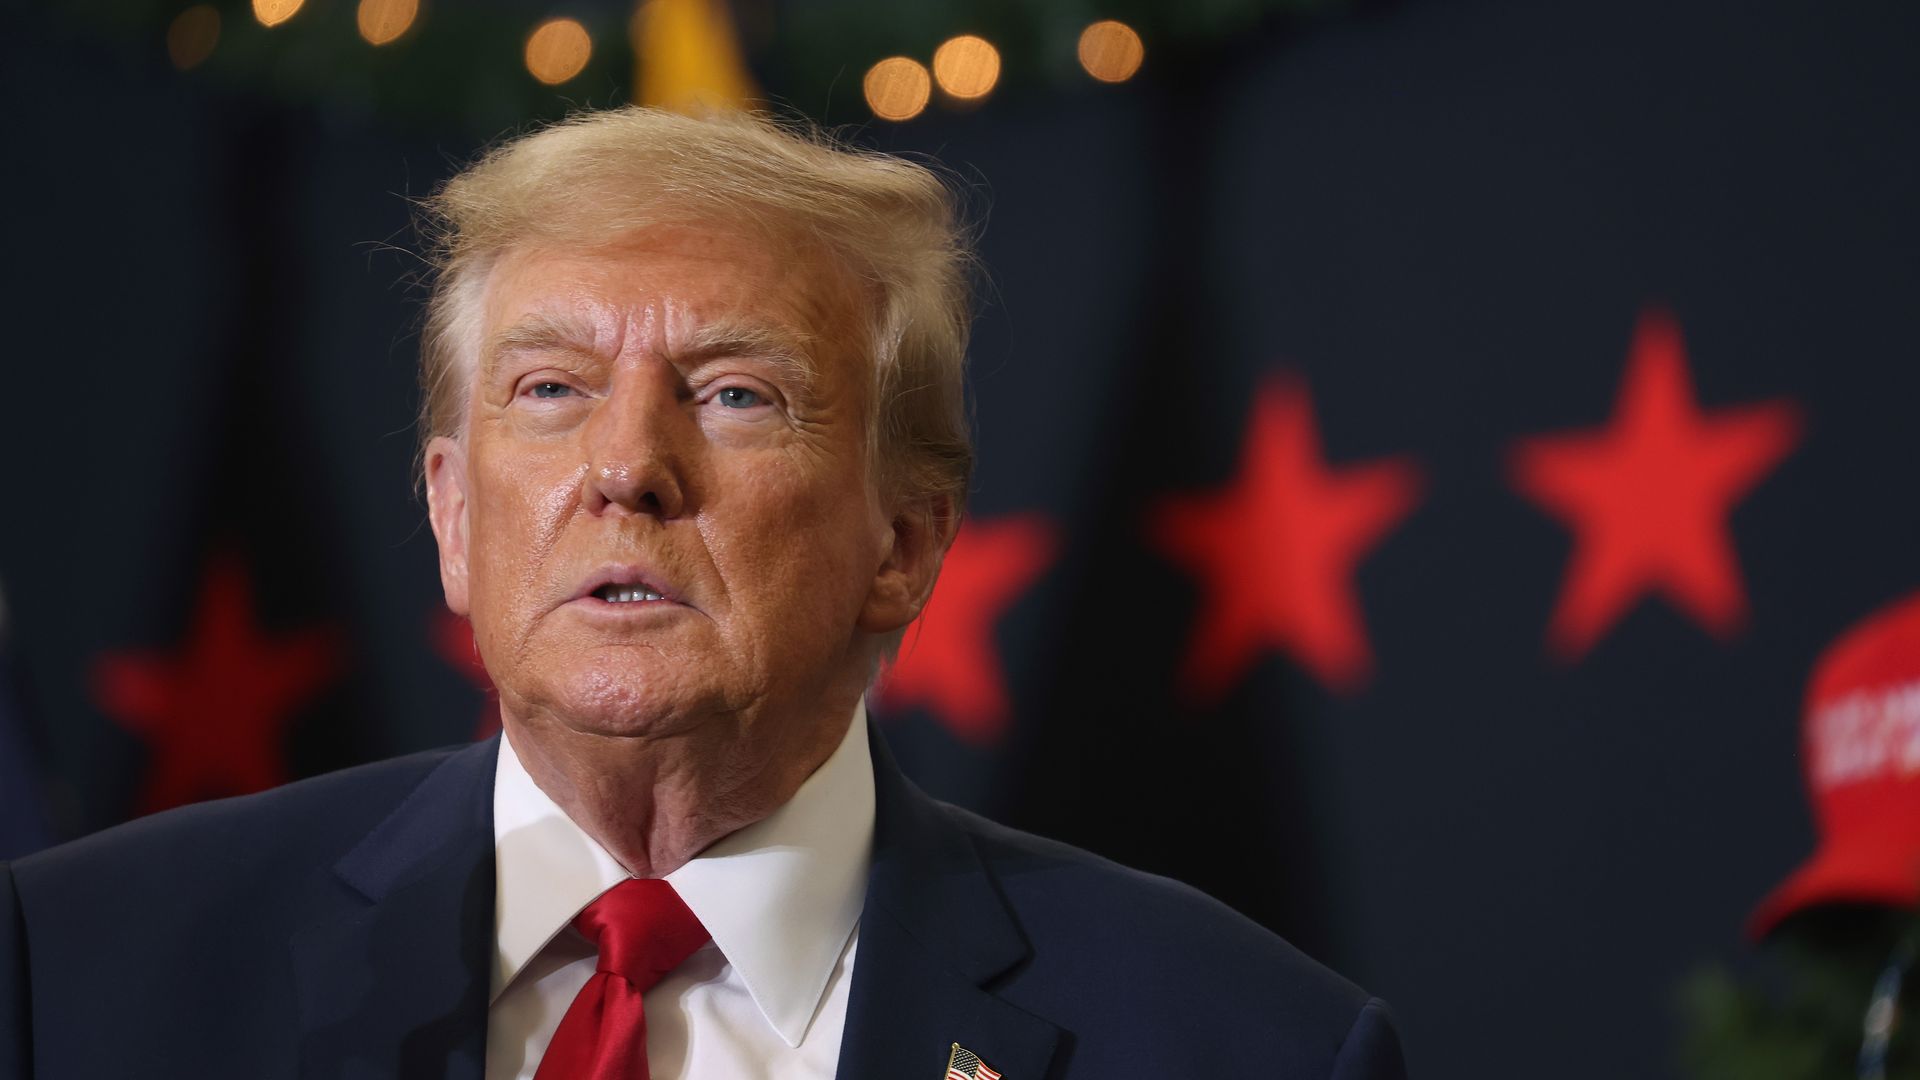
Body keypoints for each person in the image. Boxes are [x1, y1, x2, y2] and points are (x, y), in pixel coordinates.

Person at [0, 107, 1406, 1080]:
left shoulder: (1244, 1045)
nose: (626, 467)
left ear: (905, 542)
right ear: (450, 514)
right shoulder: (75, 977)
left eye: (736, 394)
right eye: (550, 390)